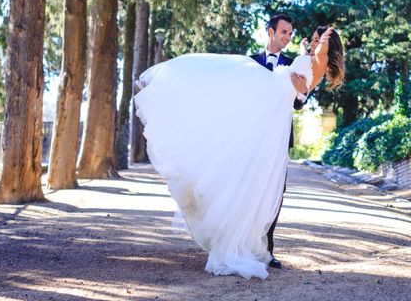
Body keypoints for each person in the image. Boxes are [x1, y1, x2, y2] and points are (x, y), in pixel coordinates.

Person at [134, 25, 345, 279]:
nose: (311, 41)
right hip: (267, 113)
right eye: (311, 38)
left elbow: (303, 86)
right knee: (240, 166)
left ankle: (252, 244)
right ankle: (237, 236)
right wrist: (303, 56)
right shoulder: (309, 58)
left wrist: (325, 36)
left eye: (316, 39)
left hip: (273, 113)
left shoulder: (319, 55)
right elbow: (303, 73)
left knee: (260, 185)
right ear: (271, 31)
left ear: (326, 43)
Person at [249, 14, 309, 269]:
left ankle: (267, 251)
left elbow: (298, 103)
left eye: (290, 34)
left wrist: (303, 90)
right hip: (251, 139)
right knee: (249, 192)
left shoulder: (292, 64)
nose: (287, 38)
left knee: (275, 193)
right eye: (284, 32)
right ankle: (243, 243)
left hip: (279, 140)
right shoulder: (249, 63)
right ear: (271, 32)